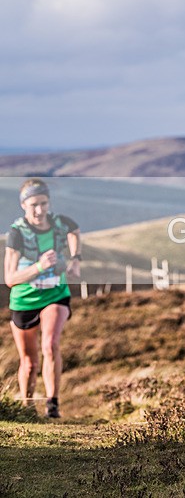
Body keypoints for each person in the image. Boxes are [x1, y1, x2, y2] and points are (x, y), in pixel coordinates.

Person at [4, 179, 81, 418]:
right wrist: (39, 266)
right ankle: (27, 408)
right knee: (29, 362)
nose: (39, 210)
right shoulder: (17, 233)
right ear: (23, 205)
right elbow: (10, 278)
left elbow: (74, 230)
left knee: (50, 344)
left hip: (55, 294)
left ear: (49, 202)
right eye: (33, 204)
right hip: (24, 299)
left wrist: (75, 258)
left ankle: (52, 405)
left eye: (43, 203)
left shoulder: (59, 223)